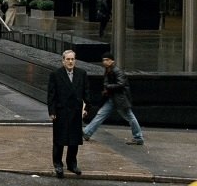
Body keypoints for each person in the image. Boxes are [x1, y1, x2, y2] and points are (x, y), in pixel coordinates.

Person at [82, 52, 144, 145]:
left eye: (107, 60)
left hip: (120, 99)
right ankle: (87, 132)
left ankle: (138, 137)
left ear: (112, 61)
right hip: (112, 98)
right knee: (100, 114)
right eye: (103, 60)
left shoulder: (117, 71)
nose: (105, 62)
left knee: (130, 117)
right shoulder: (108, 70)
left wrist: (108, 86)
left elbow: (121, 84)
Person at [47, 50, 90, 178]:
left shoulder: (82, 74)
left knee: (74, 140)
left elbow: (86, 91)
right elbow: (51, 95)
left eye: (72, 59)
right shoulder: (55, 74)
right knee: (59, 140)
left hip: (76, 112)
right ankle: (58, 164)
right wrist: (52, 111)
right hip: (61, 112)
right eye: (68, 59)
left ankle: (72, 164)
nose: (70, 61)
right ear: (63, 60)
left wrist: (87, 107)